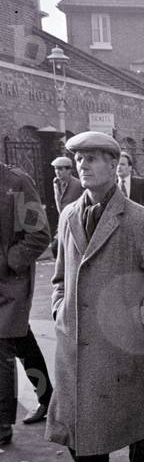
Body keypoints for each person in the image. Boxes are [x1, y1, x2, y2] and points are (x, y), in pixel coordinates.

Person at [47, 131, 144, 462]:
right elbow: (60, 276)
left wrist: (143, 326)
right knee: (80, 411)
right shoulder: (69, 215)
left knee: (135, 411)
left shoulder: (139, 220)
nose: (82, 166)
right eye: (78, 159)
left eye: (92, 159)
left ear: (114, 165)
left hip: (125, 342)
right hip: (77, 336)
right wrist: (59, 308)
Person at [0, 162, 51, 445]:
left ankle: (2, 424)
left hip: (11, 283)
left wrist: (9, 262)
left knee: (2, 347)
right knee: (21, 341)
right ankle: (48, 397)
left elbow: (39, 235)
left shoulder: (17, 183)